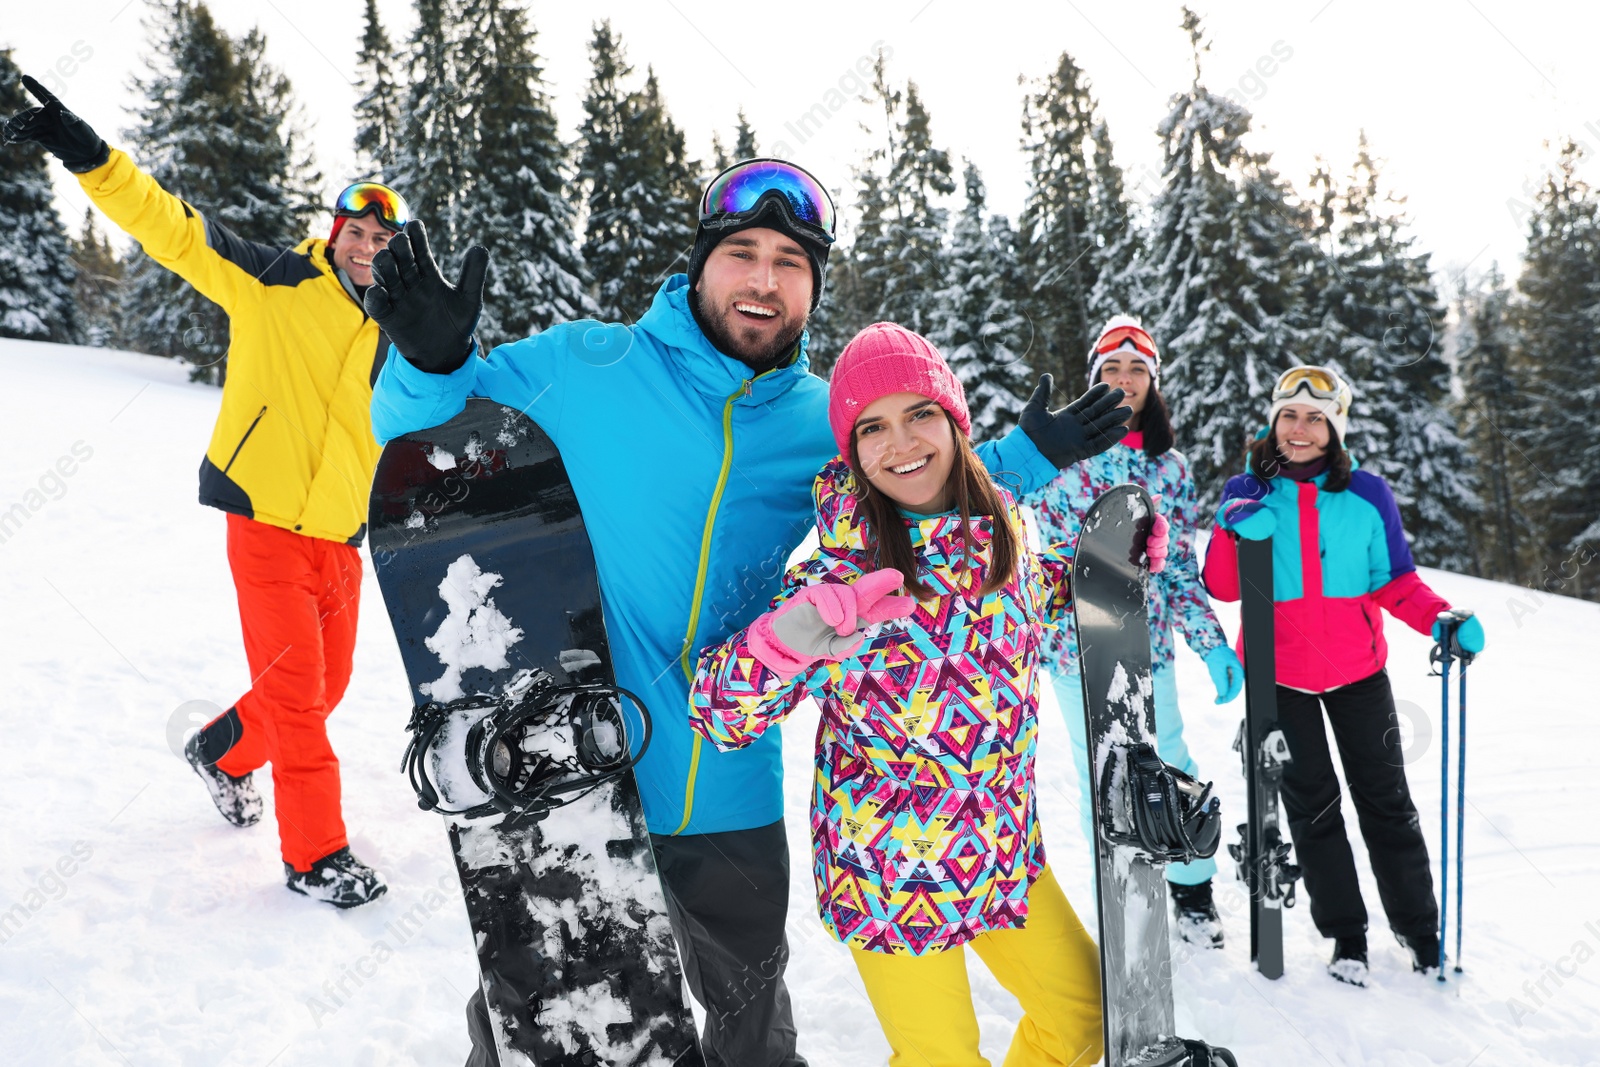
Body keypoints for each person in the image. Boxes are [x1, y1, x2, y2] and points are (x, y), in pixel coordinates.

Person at [363, 158, 1132, 1066]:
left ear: (812, 288)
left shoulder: (822, 419)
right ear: (699, 265)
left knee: (753, 1023)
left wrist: (1033, 456)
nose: (765, 280)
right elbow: (420, 441)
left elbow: (922, 479)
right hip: (573, 779)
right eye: (742, 253)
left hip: (726, 780)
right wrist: (431, 359)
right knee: (544, 1021)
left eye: (791, 263)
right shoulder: (586, 366)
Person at [691, 323, 1167, 1067]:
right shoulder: (838, 584)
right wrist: (783, 644)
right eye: (871, 427)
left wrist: (1106, 578)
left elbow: (1028, 608)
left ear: (953, 419)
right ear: (851, 450)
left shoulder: (1001, 531)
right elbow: (716, 714)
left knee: (1088, 1017)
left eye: (918, 413)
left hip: (1002, 849)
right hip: (890, 875)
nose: (900, 442)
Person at [2, 76, 403, 907]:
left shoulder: (398, 331)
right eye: (354, 229)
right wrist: (93, 159)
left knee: (325, 688)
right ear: (332, 233)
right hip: (263, 523)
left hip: (339, 538)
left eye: (378, 236)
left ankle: (221, 750)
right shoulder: (272, 280)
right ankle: (315, 855)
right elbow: (173, 229)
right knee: (300, 701)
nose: (364, 245)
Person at [1202, 365, 1486, 986]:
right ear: (1272, 422)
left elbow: (1395, 580)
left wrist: (1441, 620)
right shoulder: (1248, 488)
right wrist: (1230, 523)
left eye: (1315, 419)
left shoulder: (1367, 494)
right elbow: (1223, 586)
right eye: (1288, 416)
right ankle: (1347, 938)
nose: (1299, 429)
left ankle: (1419, 931)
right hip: (1278, 678)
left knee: (1386, 803)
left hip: (1359, 673)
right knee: (1313, 810)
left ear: (1335, 428)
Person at [1024, 316, 1242, 947]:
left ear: (1153, 382)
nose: (1124, 379)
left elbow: (1177, 570)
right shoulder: (1062, 456)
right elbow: (1005, 514)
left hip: (1148, 646)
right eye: (1111, 369)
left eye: (1137, 370)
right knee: (1102, 777)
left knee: (1168, 760)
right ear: (1094, 379)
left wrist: (1212, 644)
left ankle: (1194, 888)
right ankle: (1125, 895)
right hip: (1072, 648)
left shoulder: (1168, 467)